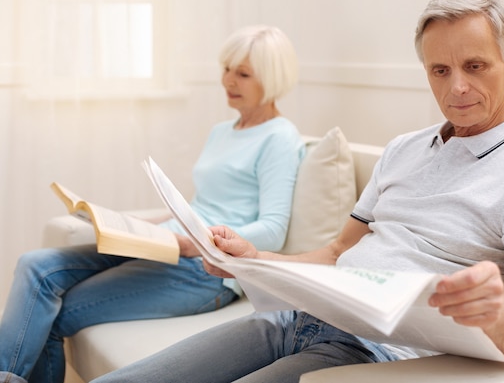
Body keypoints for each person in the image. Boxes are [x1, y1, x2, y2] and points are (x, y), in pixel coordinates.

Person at [91, 0, 504, 383]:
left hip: (370, 349)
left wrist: (487, 309)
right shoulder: (404, 149)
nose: (456, 88)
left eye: (475, 66)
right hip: (298, 315)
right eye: (440, 70)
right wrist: (252, 260)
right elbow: (334, 253)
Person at [0, 25, 305, 383]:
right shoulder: (222, 131)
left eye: (243, 74)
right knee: (35, 264)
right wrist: (125, 222)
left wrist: (201, 242)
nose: (228, 81)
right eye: (226, 68)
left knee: (53, 314)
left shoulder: (280, 138)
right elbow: (202, 204)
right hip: (165, 245)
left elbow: (273, 228)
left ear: (272, 78)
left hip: (205, 271)